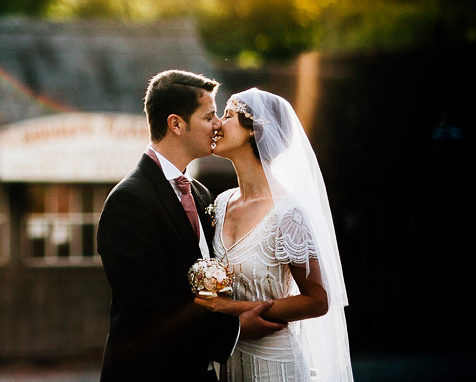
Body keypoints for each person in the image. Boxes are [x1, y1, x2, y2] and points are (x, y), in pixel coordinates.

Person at [97, 70, 285, 382]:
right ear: (176, 124)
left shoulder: (199, 193)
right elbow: (148, 306)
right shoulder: (129, 201)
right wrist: (236, 328)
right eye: (210, 116)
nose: (217, 124)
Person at [198, 88, 353, 382]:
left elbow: (317, 300)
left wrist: (231, 308)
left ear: (254, 132)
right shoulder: (220, 204)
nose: (217, 123)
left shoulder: (286, 212)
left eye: (228, 116)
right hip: (228, 362)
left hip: (274, 366)